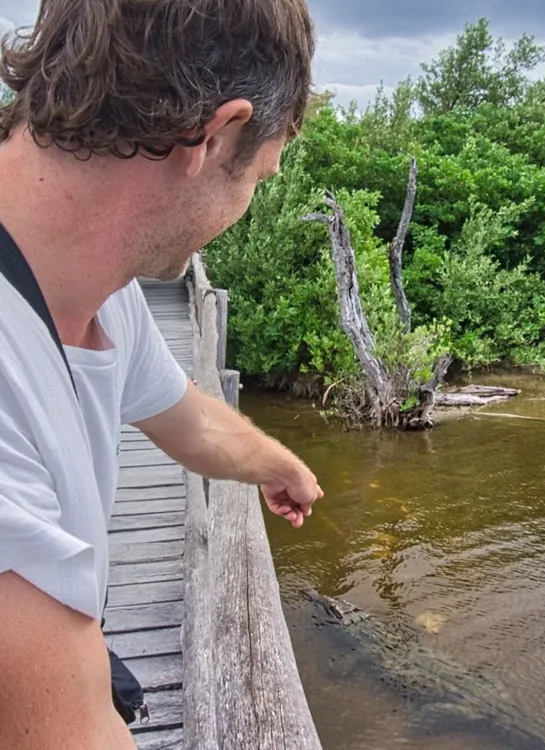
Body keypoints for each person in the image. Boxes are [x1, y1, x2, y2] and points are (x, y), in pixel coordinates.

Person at [0, 0, 321, 747]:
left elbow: (184, 413)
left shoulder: (98, 286)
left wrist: (279, 466)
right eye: (259, 176)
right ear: (217, 135)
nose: (245, 206)